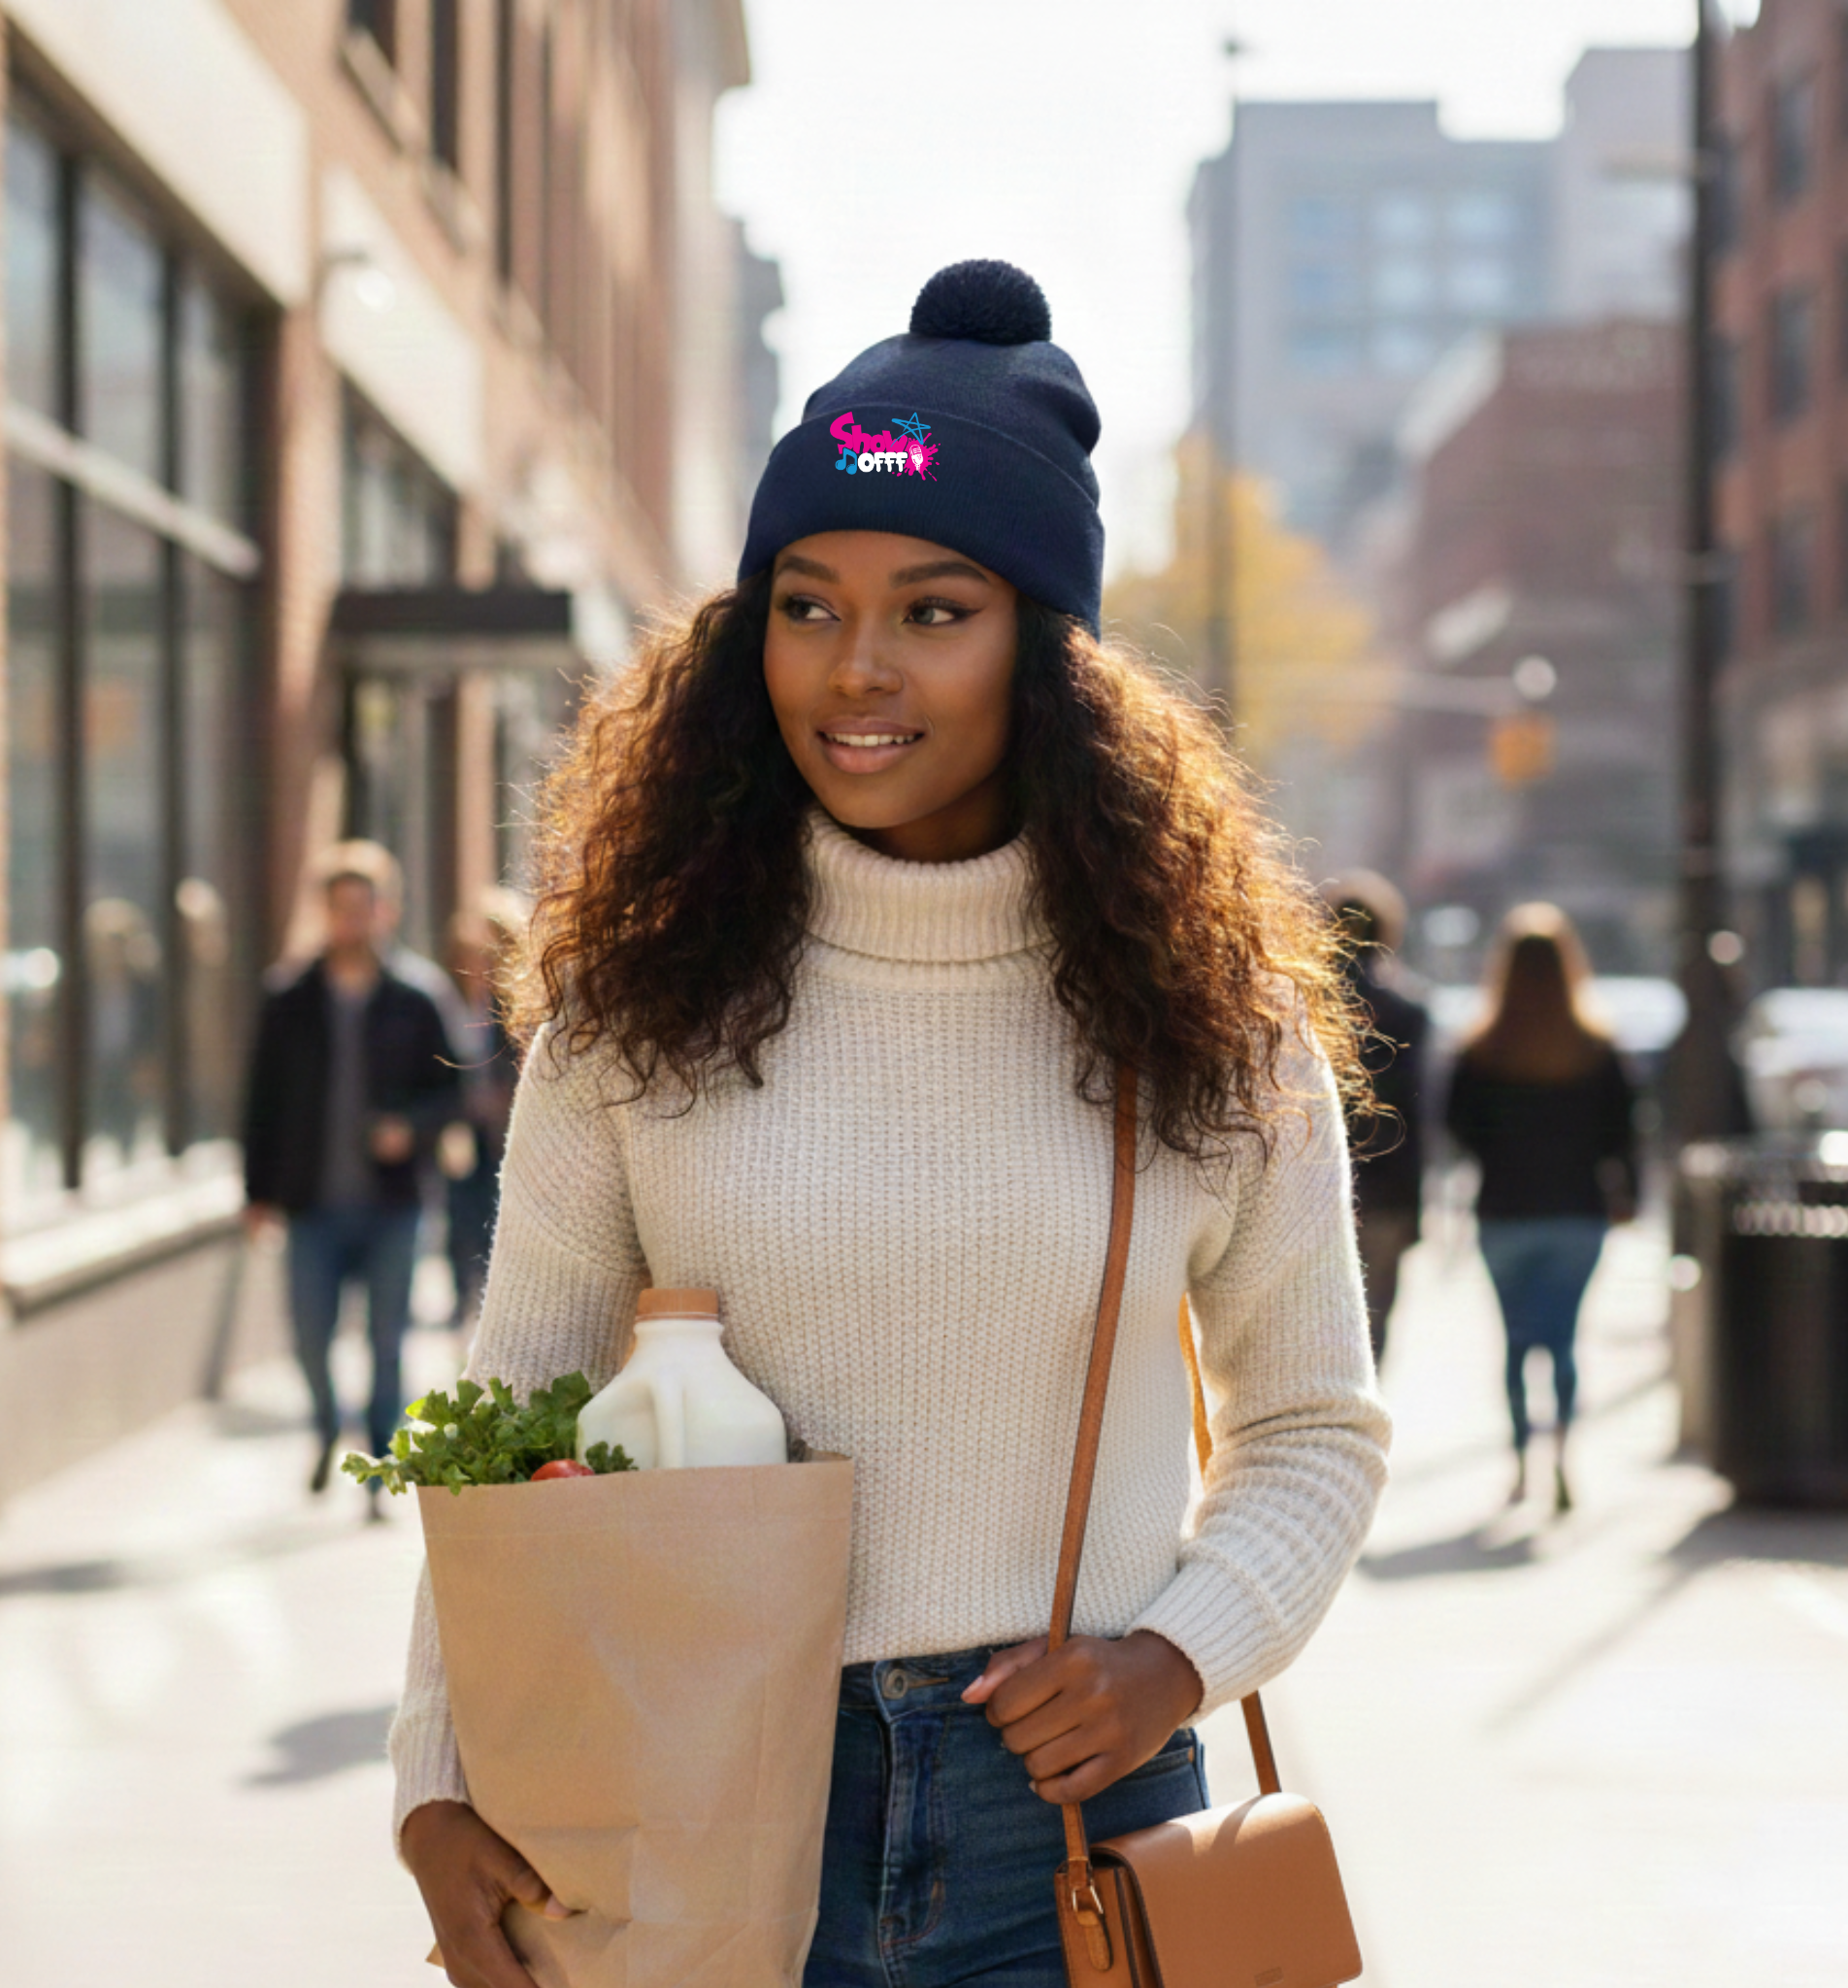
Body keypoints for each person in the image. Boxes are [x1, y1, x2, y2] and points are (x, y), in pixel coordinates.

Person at [389, 260, 1391, 1988]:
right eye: (807, 603)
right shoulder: (639, 1009)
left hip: (1069, 1830)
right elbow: (514, 1433)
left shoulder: (1205, 1018)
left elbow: (1311, 1424)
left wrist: (1174, 1658)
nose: (855, 667)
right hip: (677, 1787)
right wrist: (435, 1777)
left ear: (1045, 648)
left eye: (934, 610)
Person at [243, 842, 462, 1501]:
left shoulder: (418, 996)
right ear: (325, 913)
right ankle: (324, 1428)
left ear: (386, 910)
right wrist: (257, 1194)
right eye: (340, 908)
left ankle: (381, 1462)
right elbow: (260, 1102)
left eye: (363, 907)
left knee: (387, 1341)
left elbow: (456, 1091)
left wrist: (411, 1129)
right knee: (311, 1338)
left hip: (394, 1204)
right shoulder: (289, 998)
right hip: (311, 1203)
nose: (352, 920)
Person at [1445, 905, 1638, 1514]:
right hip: (1577, 1211)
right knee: (1562, 1340)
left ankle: (1520, 1462)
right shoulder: (1596, 1048)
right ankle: (1561, 1458)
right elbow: (1623, 1132)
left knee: (1515, 1341)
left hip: (1505, 1210)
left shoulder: (1482, 1048)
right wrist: (1626, 1192)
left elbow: (1458, 1126)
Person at [1329, 871, 1431, 1367]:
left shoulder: (1297, 1002)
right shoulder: (1407, 1011)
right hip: (1386, 1186)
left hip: (1314, 1185)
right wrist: (1416, 1207)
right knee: (1374, 1322)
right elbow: (1416, 1114)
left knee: (1316, 1324)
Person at [440, 888, 530, 1326]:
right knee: (463, 1223)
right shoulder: (452, 1000)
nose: (476, 963)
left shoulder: (520, 1006)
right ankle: (467, 1306)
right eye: (468, 953)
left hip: (511, 1136)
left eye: (486, 952)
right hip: (464, 1134)